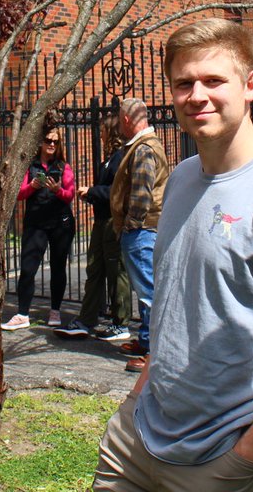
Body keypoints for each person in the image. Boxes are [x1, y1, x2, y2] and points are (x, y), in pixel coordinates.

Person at [94, 19, 253, 492]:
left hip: (235, 455)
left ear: (251, 85)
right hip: (141, 439)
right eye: (184, 82)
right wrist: (133, 403)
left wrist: (242, 463)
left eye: (214, 80)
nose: (197, 95)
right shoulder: (184, 180)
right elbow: (174, 306)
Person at [55, 113, 132, 341]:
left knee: (116, 271)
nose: (100, 134)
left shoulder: (120, 159)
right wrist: (90, 195)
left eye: (103, 130)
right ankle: (87, 319)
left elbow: (118, 193)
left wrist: (92, 191)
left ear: (112, 132)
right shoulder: (107, 160)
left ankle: (121, 322)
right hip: (100, 222)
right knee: (95, 269)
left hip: (113, 222)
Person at [108, 98, 169, 372]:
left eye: (121, 119)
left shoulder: (143, 149)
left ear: (127, 120)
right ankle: (146, 342)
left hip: (142, 231)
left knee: (149, 292)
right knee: (147, 289)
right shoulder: (144, 146)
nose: (119, 124)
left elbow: (141, 195)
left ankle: (155, 354)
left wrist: (129, 226)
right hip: (144, 230)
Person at [2, 123, 77, 330]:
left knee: (58, 267)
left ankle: (55, 310)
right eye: (48, 141)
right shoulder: (30, 166)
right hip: (36, 222)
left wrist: (57, 190)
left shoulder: (63, 167)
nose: (52, 144)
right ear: (41, 143)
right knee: (28, 267)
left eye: (55, 141)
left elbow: (69, 195)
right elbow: (18, 194)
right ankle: (22, 313)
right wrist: (32, 187)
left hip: (60, 222)